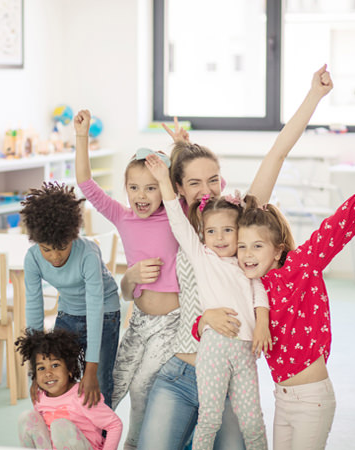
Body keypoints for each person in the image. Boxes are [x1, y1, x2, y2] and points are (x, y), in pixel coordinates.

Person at [133, 65, 333, 450]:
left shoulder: (240, 224)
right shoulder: (172, 224)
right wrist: (199, 318)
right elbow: (140, 198)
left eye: (213, 179)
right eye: (194, 183)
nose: (207, 189)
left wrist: (314, 96)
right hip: (180, 371)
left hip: (230, 378)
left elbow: (276, 155)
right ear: (177, 188)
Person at [231, 147, 355, 449]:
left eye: (257, 246)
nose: (247, 255)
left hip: (312, 400)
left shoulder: (300, 265)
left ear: (278, 249)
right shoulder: (249, 285)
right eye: (242, 247)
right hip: (281, 398)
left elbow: (337, 225)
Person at [146, 153, 272, 449]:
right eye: (211, 231)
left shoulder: (246, 260)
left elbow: (259, 290)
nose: (219, 238)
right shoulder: (202, 256)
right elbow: (179, 221)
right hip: (196, 362)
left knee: (254, 422)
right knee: (210, 420)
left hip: (241, 357)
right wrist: (164, 179)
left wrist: (262, 321)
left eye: (228, 230)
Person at [74, 110, 181, 449]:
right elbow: (86, 184)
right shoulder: (123, 216)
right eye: (134, 187)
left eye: (151, 188)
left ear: (165, 188)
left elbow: (210, 191)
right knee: (113, 386)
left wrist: (183, 148)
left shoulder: (177, 215)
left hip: (171, 324)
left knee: (141, 388)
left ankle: (133, 444)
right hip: (138, 322)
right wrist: (81, 137)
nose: (142, 195)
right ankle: (92, 441)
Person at [21, 182, 120, 408]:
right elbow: (34, 309)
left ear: (73, 235)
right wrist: (35, 369)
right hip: (68, 312)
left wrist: (92, 370)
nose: (55, 256)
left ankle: (101, 439)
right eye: (47, 249)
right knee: (60, 381)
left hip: (104, 312)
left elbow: (95, 308)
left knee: (99, 386)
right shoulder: (33, 258)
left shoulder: (88, 253)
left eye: (62, 247)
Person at [15, 328, 122, 450]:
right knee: (27, 417)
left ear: (70, 370)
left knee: (60, 426)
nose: (48, 373)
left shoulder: (83, 396)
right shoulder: (40, 398)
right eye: (41, 368)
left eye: (55, 365)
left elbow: (114, 425)